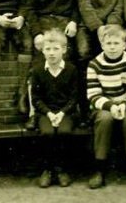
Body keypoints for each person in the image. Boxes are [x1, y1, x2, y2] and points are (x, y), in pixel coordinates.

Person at [86, 24, 126, 190]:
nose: (112, 47)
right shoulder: (94, 64)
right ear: (102, 45)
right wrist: (111, 106)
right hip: (104, 105)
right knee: (104, 119)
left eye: (116, 43)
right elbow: (93, 94)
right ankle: (99, 169)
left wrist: (124, 105)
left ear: (124, 45)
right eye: (108, 43)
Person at [78, 0, 126, 125]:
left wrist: (109, 27)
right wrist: (97, 27)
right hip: (89, 23)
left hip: (111, 25)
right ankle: (85, 110)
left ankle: (111, 105)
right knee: (83, 53)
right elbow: (84, 2)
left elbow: (120, 5)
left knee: (113, 55)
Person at [31, 29, 79, 188]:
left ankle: (61, 169)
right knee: (48, 132)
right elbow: (36, 98)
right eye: (48, 49)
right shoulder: (38, 71)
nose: (51, 53)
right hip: (46, 112)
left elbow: (74, 97)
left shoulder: (71, 70)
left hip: (66, 112)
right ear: (42, 50)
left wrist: (62, 113)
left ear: (63, 50)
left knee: (64, 131)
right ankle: (47, 170)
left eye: (56, 49)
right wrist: (50, 114)